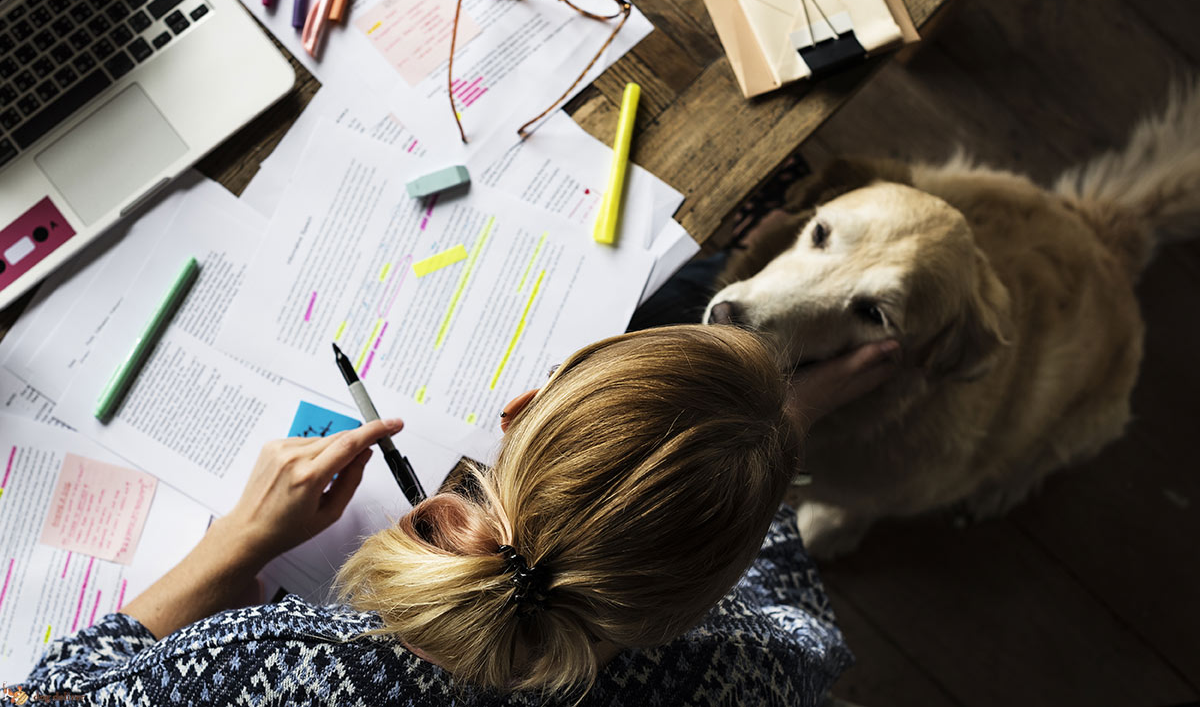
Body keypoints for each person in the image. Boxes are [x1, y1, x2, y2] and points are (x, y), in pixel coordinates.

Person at [19, 324, 898, 706]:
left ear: (519, 407)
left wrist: (229, 549)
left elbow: (38, 697)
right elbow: (810, 634)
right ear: (695, 600)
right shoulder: (744, 670)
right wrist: (785, 435)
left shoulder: (271, 668)